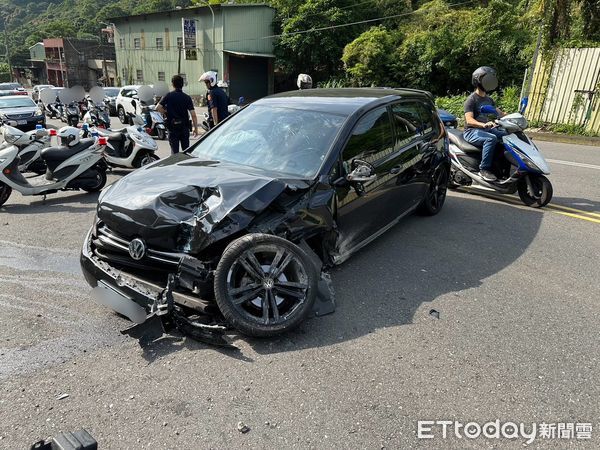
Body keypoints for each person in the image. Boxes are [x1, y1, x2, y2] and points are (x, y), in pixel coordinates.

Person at [463, 66, 507, 182]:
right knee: (491, 139)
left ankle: (501, 169)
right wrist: (483, 125)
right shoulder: (471, 99)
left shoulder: (489, 100)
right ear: (478, 81)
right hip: (471, 131)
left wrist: (516, 117)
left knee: (506, 136)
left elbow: (500, 113)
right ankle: (484, 169)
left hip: (485, 129)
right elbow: (469, 120)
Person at [157, 74, 199, 154]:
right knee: (186, 152)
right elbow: (193, 114)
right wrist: (195, 128)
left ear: (172, 84)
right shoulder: (187, 97)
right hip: (184, 128)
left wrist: (166, 112)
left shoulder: (168, 96)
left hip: (172, 128)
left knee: (174, 152)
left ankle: (174, 166)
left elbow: (157, 107)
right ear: (182, 84)